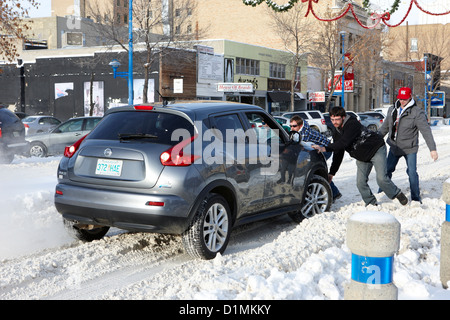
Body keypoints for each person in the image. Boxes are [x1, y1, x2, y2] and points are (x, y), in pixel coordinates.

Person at [312, 107, 408, 207]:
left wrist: (324, 148)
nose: (334, 122)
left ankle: (397, 193)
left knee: (381, 179)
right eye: (332, 120)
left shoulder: (352, 124)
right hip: (362, 157)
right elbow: (338, 152)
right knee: (360, 183)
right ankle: (371, 203)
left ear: (343, 117)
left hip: (376, 149)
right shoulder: (337, 132)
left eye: (337, 119)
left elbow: (344, 143)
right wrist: (332, 172)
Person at [378, 87, 438, 203]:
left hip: (410, 148)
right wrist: (373, 140)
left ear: (410, 97)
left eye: (405, 99)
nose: (402, 101)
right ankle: (381, 193)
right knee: (386, 171)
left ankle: (415, 197)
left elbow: (426, 131)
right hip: (394, 147)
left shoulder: (416, 112)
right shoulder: (392, 110)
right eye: (400, 98)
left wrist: (432, 149)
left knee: (411, 172)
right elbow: (384, 128)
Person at [289, 115, 342, 201]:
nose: (292, 128)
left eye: (294, 126)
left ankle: (334, 193)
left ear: (300, 125)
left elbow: (298, 145)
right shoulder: (301, 130)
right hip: (320, 148)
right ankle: (333, 192)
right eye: (290, 126)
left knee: (317, 171)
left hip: (326, 150)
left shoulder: (304, 133)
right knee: (316, 172)